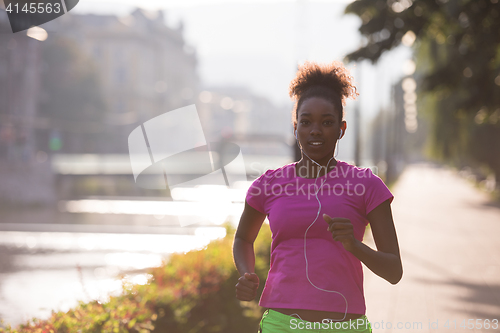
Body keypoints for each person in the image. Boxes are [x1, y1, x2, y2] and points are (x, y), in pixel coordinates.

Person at [232, 61, 403, 332]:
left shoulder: (367, 185)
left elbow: (394, 271)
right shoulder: (269, 184)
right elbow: (243, 238)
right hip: (281, 324)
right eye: (306, 121)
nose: (315, 130)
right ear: (295, 126)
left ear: (341, 129)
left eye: (326, 122)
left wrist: (354, 246)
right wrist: (246, 272)